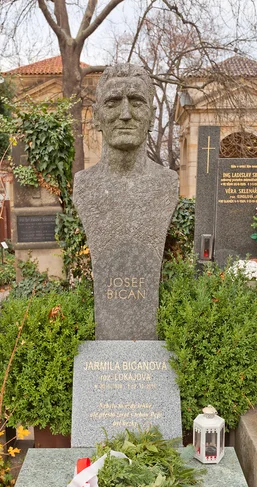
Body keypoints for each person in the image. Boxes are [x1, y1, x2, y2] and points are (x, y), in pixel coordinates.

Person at [73, 64, 179, 340]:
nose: (125, 115)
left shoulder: (167, 184)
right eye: (112, 103)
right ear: (96, 117)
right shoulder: (85, 186)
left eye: (136, 102)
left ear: (152, 117)